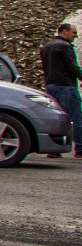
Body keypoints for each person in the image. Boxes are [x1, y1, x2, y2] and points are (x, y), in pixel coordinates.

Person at [40, 22, 82, 157]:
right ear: (64, 32)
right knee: (76, 119)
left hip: (51, 86)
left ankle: (54, 149)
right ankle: (80, 150)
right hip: (66, 86)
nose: (75, 36)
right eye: (73, 32)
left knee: (56, 117)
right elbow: (72, 66)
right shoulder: (65, 46)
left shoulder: (46, 47)